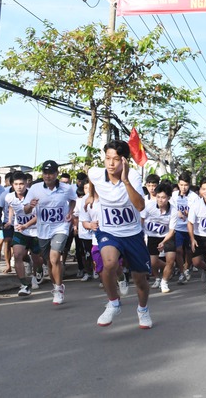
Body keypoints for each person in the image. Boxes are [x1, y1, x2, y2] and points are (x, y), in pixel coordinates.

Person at [88, 140, 152, 328]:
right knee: (109, 263)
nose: (110, 164)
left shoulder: (133, 176)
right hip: (109, 231)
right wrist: (91, 195)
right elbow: (90, 177)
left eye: (116, 159)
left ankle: (143, 309)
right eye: (107, 158)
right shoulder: (97, 173)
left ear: (124, 161)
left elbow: (140, 206)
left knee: (140, 279)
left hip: (132, 234)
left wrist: (125, 181)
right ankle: (114, 302)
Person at [23, 160, 77, 305]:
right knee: (49, 262)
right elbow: (26, 210)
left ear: (56, 174)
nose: (48, 176)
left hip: (60, 227)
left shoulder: (67, 188)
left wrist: (70, 212)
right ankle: (56, 285)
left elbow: (73, 200)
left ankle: (58, 290)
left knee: (54, 258)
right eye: (45, 173)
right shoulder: (35, 188)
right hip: (43, 230)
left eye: (51, 173)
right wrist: (30, 205)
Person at [2, 171, 44, 296]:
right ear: (12, 185)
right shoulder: (8, 197)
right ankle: (24, 285)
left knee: (37, 258)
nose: (19, 187)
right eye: (16, 184)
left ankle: (39, 270)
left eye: (21, 183)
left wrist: (26, 225)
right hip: (20, 231)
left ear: (26, 183)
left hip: (36, 231)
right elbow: (12, 207)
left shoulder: (34, 196)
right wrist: (10, 220)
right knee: (17, 255)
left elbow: (38, 216)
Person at [171, 172, 199, 285]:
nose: (183, 187)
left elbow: (197, 212)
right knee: (178, 250)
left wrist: (190, 213)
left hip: (189, 227)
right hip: (177, 227)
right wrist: (176, 212)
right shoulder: (173, 196)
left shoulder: (194, 197)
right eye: (181, 185)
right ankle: (182, 272)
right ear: (178, 184)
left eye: (186, 185)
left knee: (189, 251)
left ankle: (187, 267)